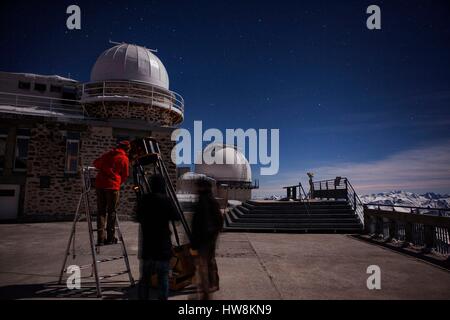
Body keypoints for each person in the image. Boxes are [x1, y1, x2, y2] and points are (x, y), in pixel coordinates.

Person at [137, 174, 179, 300]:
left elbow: (137, 217)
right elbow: (176, 217)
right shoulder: (166, 200)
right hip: (162, 247)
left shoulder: (144, 200)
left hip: (148, 246)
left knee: (145, 279)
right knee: (163, 279)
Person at [190, 179, 223, 300]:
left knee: (203, 265)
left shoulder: (203, 201)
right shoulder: (212, 201)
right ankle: (214, 283)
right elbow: (219, 220)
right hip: (210, 238)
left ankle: (206, 293)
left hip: (203, 239)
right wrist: (215, 233)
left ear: (202, 188)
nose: (196, 189)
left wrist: (194, 242)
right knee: (210, 261)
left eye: (198, 186)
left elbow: (198, 223)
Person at [93, 141, 130, 246]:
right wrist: (118, 182)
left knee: (101, 212)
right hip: (113, 187)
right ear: (127, 149)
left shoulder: (107, 155)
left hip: (100, 185)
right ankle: (110, 238)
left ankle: (100, 239)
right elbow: (125, 175)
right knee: (112, 211)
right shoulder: (124, 159)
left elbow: (96, 163)